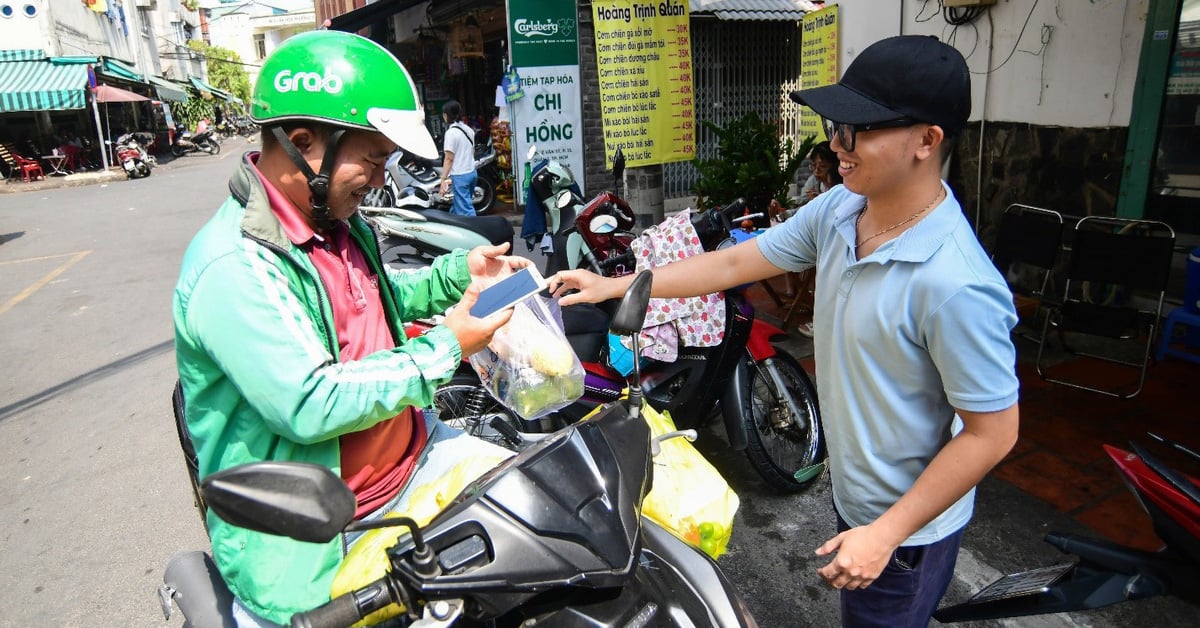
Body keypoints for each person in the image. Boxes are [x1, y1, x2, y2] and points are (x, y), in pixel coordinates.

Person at [550, 35, 1019, 628]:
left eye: (858, 130)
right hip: (861, 502)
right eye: (834, 125)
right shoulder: (843, 211)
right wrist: (618, 285)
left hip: (906, 531)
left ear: (927, 140)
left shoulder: (958, 285)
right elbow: (729, 265)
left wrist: (884, 534)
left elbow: (993, 433)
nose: (836, 146)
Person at [172, 31, 527, 626]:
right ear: (304, 142)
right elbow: (311, 402)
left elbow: (380, 297)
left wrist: (457, 271)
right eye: (372, 157)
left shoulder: (336, 223)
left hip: (413, 463)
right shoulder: (233, 266)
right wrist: (448, 346)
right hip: (320, 535)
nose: (380, 177)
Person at [438, 100, 477, 216]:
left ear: (446, 115)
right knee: (458, 206)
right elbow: (472, 151)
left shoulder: (451, 133)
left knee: (465, 210)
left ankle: (476, 231)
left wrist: (443, 179)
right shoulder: (468, 129)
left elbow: (449, 159)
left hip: (461, 176)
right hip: (472, 173)